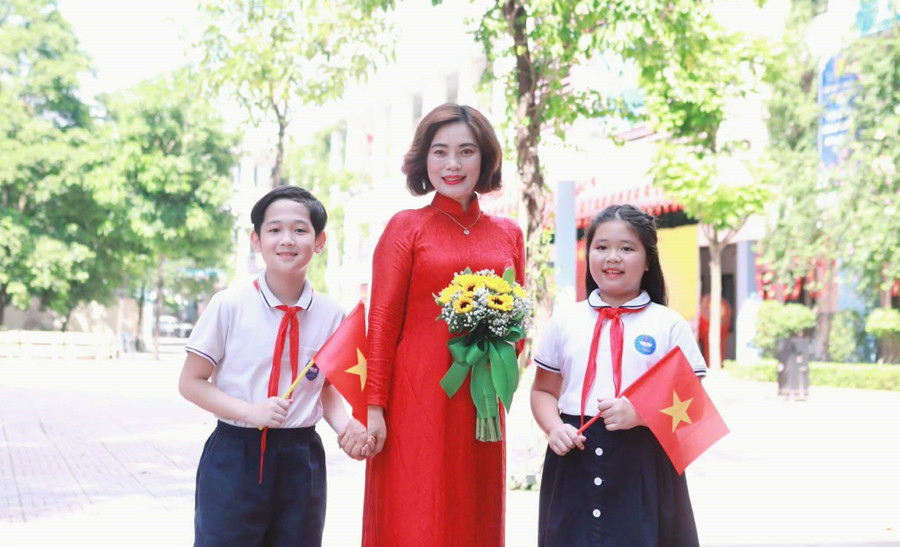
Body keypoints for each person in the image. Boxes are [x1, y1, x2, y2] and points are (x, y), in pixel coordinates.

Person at [361, 103, 525, 546]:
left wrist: (502, 352)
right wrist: (374, 408)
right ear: (424, 160)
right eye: (440, 152)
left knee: (475, 509)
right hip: (416, 399)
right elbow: (381, 321)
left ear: (485, 159)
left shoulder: (508, 233)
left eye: (466, 151)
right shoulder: (405, 228)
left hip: (482, 402)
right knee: (416, 510)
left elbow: (519, 323)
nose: (453, 164)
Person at [178, 185, 372, 547]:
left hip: (301, 459)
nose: (287, 239)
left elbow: (325, 387)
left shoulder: (332, 315)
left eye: (300, 230)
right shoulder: (229, 305)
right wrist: (251, 412)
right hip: (236, 455)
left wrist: (347, 427)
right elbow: (191, 382)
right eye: (275, 230)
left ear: (319, 241)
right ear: (256, 240)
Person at [531, 204, 705, 546]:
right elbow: (543, 391)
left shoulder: (668, 324)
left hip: (644, 461)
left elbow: (692, 402)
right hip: (573, 459)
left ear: (648, 259)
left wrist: (641, 413)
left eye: (627, 248)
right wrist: (554, 428)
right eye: (601, 247)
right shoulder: (565, 321)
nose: (613, 257)